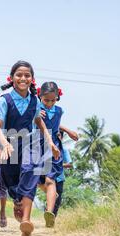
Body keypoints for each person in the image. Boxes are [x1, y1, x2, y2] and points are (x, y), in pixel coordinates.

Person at [0, 60, 60, 236]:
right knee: (13, 184)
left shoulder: (35, 101)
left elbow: (39, 121)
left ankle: (26, 221)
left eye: (27, 75)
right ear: (12, 78)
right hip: (9, 147)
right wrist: (4, 143)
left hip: (30, 144)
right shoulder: (3, 101)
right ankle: (18, 202)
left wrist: (50, 142)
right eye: (19, 75)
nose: (23, 78)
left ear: (32, 79)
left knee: (30, 172)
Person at [36, 82, 78, 227]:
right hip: (36, 146)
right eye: (46, 100)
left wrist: (68, 131)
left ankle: (49, 213)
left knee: (50, 180)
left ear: (57, 99)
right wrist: (34, 113)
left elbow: (55, 124)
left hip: (53, 148)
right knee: (34, 180)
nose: (49, 103)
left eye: (53, 100)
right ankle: (52, 193)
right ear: (39, 97)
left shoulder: (59, 111)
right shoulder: (35, 108)